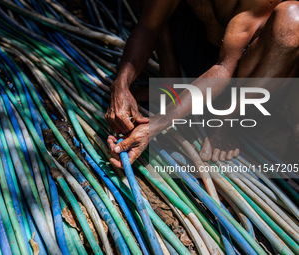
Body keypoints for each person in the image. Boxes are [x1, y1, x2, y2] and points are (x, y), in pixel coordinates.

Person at [105, 0, 299, 168]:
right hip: (196, 53)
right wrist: (120, 85)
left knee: (293, 18)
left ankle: (226, 117)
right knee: (158, 10)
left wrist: (153, 126)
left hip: (240, 77)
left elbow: (224, 67)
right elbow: (148, 26)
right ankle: (169, 87)